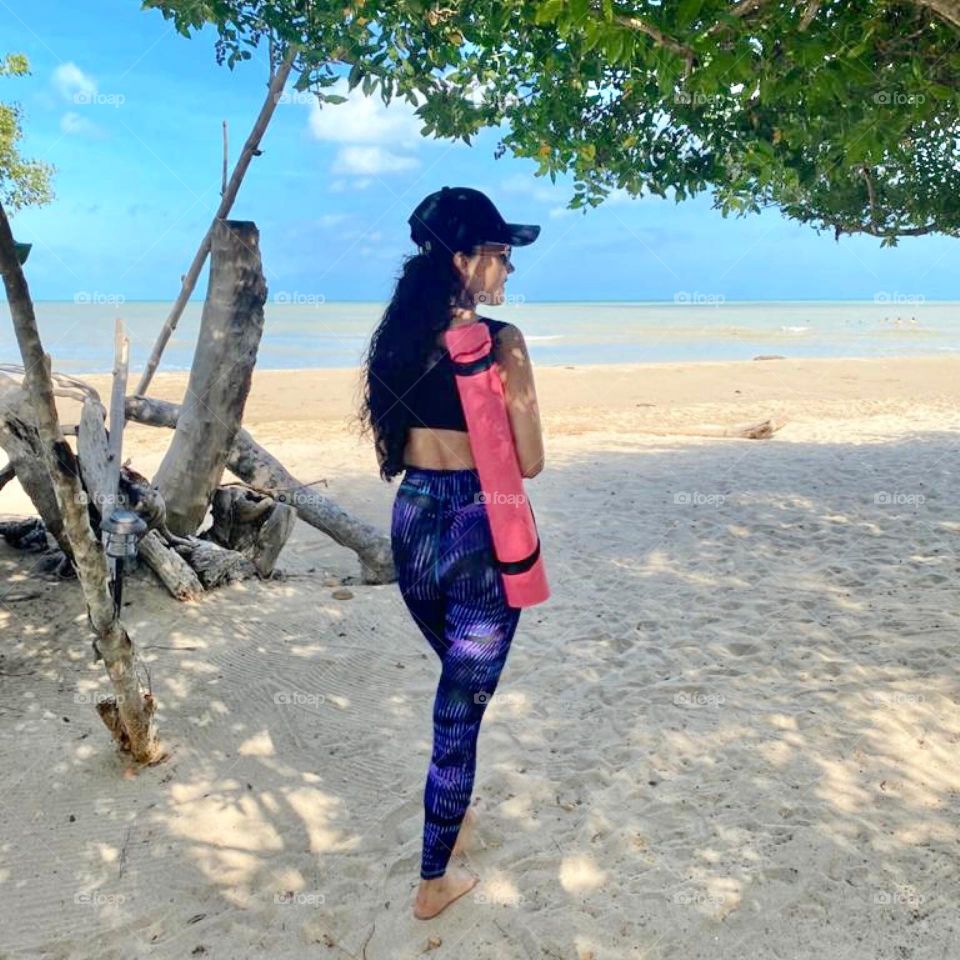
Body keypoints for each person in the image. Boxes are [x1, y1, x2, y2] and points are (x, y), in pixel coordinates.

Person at [359, 186, 545, 920]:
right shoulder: (503, 342)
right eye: (500, 255)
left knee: (461, 689)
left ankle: (453, 811)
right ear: (463, 259)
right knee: (459, 712)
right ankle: (434, 881)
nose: (507, 272)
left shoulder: (396, 338)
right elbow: (528, 460)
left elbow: (395, 442)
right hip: (479, 525)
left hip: (412, 523)